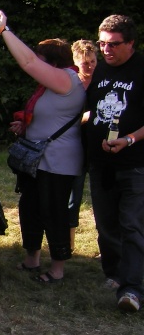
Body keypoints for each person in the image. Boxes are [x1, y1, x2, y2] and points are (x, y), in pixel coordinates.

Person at [0, 10, 85, 284]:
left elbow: (29, 62)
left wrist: (3, 31)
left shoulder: (68, 79)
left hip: (57, 162)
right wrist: (26, 127)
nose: (39, 68)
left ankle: (57, 269)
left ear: (55, 63)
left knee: (53, 211)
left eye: (45, 62)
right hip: (37, 160)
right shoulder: (50, 86)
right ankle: (32, 259)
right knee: (30, 206)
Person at [84, 14, 144, 312]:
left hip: (134, 162)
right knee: (106, 223)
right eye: (102, 43)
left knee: (132, 224)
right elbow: (90, 108)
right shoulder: (98, 69)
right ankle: (114, 274)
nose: (106, 50)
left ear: (130, 43)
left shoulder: (141, 69)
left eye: (113, 44)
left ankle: (132, 290)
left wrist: (130, 139)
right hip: (100, 162)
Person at [67, 40, 99, 250]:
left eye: (93, 62)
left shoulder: (103, 83)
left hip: (99, 148)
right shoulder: (69, 86)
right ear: (75, 62)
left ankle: (105, 245)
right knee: (72, 199)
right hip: (75, 148)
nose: (89, 67)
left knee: (104, 200)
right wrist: (83, 118)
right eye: (84, 63)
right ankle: (69, 246)